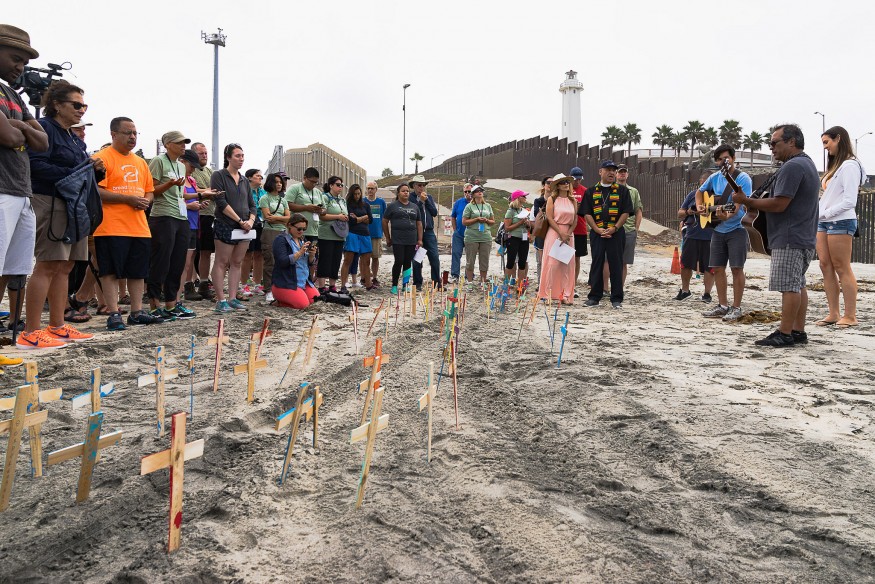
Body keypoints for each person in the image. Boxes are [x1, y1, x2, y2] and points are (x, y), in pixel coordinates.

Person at [18, 80, 95, 349]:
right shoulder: (46, 129)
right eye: (76, 104)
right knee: (48, 263)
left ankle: (57, 326)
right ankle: (30, 331)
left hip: (74, 204)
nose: (81, 110)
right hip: (50, 201)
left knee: (66, 265)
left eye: (84, 105)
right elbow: (36, 165)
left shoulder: (73, 136)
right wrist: (73, 175)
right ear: (56, 105)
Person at [732, 124, 819, 346]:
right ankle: (798, 331)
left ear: (791, 142)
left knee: (789, 286)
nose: (771, 148)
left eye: (774, 143)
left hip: (789, 236)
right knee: (798, 284)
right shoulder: (806, 163)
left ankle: (785, 333)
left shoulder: (793, 167)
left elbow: (780, 203)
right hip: (803, 235)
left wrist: (747, 201)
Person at [0, 25, 48, 349]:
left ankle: (12, 332)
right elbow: (11, 137)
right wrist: (21, 129)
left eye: (24, 61)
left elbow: (42, 142)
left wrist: (16, 124)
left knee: (17, 267)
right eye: (15, 58)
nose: (21, 67)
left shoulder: (13, 95)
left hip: (22, 191)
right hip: (2, 189)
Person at [91, 117, 159, 330]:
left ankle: (137, 312)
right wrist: (127, 199)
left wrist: (146, 201)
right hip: (110, 225)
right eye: (127, 133)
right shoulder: (101, 158)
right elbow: (97, 191)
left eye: (135, 133)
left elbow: (150, 190)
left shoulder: (140, 162)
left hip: (138, 226)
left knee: (138, 271)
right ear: (113, 134)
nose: (132, 137)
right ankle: (113, 313)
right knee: (110, 271)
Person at [696, 145, 752, 322]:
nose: (723, 162)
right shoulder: (714, 177)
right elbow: (700, 192)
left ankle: (736, 307)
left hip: (737, 229)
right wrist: (700, 206)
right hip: (718, 230)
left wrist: (726, 215)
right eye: (719, 159)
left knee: (737, 268)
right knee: (718, 268)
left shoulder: (743, 179)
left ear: (733, 158)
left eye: (726, 158)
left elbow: (738, 206)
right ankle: (722, 305)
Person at [816, 126, 864, 328]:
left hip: (841, 220)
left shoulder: (851, 166)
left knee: (841, 267)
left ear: (839, 138)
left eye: (827, 142)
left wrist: (824, 213)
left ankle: (850, 315)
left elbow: (849, 201)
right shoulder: (837, 166)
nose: (826, 148)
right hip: (824, 221)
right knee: (825, 265)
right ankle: (834, 313)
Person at [147, 131, 196, 321]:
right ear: (167, 144)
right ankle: (154, 305)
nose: (183, 146)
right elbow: (151, 190)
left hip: (180, 216)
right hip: (162, 216)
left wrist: (196, 198)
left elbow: (180, 194)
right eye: (179, 142)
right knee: (161, 260)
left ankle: (171, 303)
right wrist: (170, 184)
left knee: (178, 261)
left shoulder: (181, 166)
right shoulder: (158, 161)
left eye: (185, 142)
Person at [210, 143, 256, 313]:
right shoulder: (219, 175)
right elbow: (221, 202)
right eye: (237, 155)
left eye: (242, 155)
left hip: (244, 228)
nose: (241, 159)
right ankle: (221, 299)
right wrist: (239, 220)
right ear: (228, 157)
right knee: (222, 262)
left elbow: (252, 205)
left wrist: (250, 221)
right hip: (226, 224)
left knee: (237, 262)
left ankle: (233, 298)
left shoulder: (244, 180)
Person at [582, 161, 633, 308]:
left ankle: (616, 298)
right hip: (597, 233)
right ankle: (594, 297)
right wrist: (596, 229)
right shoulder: (591, 191)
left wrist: (615, 228)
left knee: (616, 264)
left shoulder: (622, 191)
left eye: (614, 171)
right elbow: (587, 213)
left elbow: (626, 212)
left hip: (616, 233)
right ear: (600, 172)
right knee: (597, 263)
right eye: (608, 170)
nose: (611, 173)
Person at [178, 148, 213, 304]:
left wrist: (199, 204)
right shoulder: (177, 179)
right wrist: (193, 202)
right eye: (191, 166)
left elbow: (191, 197)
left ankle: (188, 288)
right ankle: (180, 293)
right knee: (183, 261)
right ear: (182, 162)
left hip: (193, 222)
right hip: (182, 222)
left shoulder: (191, 180)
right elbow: (177, 199)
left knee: (190, 257)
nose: (192, 169)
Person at [537, 175, 577, 304]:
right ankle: (547, 293)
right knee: (552, 264)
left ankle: (565, 294)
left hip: (568, 233)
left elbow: (575, 219)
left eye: (567, 182)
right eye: (563, 182)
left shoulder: (573, 200)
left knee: (567, 265)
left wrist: (568, 233)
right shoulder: (552, 199)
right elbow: (550, 218)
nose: (566, 184)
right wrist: (560, 233)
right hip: (555, 232)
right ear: (558, 185)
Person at [675, 171, 714, 302]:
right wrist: (689, 211)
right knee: (685, 263)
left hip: (711, 236)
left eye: (708, 183)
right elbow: (680, 213)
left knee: (710, 266)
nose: (705, 187)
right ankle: (685, 291)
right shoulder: (692, 195)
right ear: (700, 182)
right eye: (703, 183)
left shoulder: (718, 196)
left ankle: (707, 294)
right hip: (692, 233)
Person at [606, 164, 643, 286]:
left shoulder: (634, 191)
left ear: (627, 174)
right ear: (616, 174)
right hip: (611, 229)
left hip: (628, 230)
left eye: (624, 172)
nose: (622, 174)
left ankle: (619, 288)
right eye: (620, 172)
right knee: (607, 260)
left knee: (623, 261)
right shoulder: (609, 189)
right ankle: (605, 288)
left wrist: (636, 229)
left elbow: (638, 210)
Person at [271, 213, 319, 309]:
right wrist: (300, 252)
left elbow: (308, 263)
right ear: (289, 225)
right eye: (299, 229)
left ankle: (294, 297)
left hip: (303, 281)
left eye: (304, 229)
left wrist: (312, 255)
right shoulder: (280, 240)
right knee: (303, 305)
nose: (301, 231)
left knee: (316, 301)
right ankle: (279, 302)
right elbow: (283, 262)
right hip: (286, 282)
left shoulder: (302, 240)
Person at [383, 183, 423, 294]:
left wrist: (420, 239)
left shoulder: (414, 206)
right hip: (397, 239)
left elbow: (419, 224)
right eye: (403, 191)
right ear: (398, 193)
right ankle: (394, 285)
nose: (406, 193)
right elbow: (385, 221)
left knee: (407, 262)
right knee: (399, 261)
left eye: (407, 191)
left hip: (411, 240)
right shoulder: (392, 206)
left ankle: (405, 285)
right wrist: (388, 237)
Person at [285, 167, 324, 281]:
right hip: (298, 231)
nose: (313, 184)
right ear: (304, 178)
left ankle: (310, 281)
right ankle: (297, 280)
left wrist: (320, 210)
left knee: (312, 256)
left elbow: (324, 210)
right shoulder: (295, 188)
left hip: (314, 230)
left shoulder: (317, 192)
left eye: (316, 182)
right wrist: (307, 207)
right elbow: (287, 204)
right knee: (299, 256)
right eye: (311, 181)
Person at [258, 172, 290, 304]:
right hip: (269, 232)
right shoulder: (265, 198)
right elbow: (266, 217)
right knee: (270, 261)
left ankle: (280, 288)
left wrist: (276, 218)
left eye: (280, 182)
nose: (279, 184)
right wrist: (282, 219)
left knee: (282, 261)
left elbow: (289, 218)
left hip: (283, 232)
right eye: (276, 182)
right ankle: (268, 290)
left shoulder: (283, 200)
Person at [191, 141, 216, 300]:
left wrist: (210, 192)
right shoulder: (190, 171)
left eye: (206, 153)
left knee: (206, 250)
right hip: (195, 215)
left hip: (210, 214)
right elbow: (189, 189)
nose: (205, 156)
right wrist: (206, 192)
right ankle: (190, 283)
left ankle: (204, 283)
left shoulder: (210, 171)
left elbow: (213, 189)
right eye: (201, 154)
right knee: (192, 252)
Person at [315, 176, 349, 294]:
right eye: (338, 185)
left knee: (336, 260)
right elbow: (322, 216)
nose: (340, 187)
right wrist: (338, 216)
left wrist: (345, 217)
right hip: (326, 234)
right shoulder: (325, 197)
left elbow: (344, 213)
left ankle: (332, 285)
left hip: (340, 234)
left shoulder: (342, 200)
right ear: (331, 185)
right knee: (325, 259)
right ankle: (322, 286)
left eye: (341, 185)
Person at [407, 174, 440, 289]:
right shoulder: (410, 198)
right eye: (419, 185)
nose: (421, 188)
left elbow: (434, 212)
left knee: (434, 257)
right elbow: (414, 211)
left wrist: (426, 201)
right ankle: (417, 283)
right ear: (414, 186)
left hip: (429, 232)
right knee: (417, 259)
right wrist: (420, 202)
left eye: (423, 185)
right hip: (416, 233)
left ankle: (436, 282)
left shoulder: (428, 197)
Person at [340, 183, 373, 293]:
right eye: (355, 194)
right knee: (348, 260)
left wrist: (359, 218)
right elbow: (351, 220)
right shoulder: (347, 205)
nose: (357, 196)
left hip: (365, 234)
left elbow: (371, 219)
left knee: (366, 261)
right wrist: (364, 218)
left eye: (359, 194)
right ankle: (343, 285)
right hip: (352, 233)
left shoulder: (366, 205)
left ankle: (368, 284)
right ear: (351, 194)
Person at [462, 184, 495, 287]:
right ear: (473, 194)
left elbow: (493, 221)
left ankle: (483, 281)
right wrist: (476, 219)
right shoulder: (469, 206)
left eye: (481, 190)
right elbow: (464, 222)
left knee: (484, 260)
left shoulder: (487, 206)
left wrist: (486, 220)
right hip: (472, 236)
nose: (480, 192)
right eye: (477, 191)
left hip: (485, 236)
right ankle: (470, 282)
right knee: (470, 260)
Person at [240, 168, 265, 297]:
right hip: (248, 224)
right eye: (257, 176)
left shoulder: (263, 191)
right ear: (249, 177)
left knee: (259, 254)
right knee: (247, 255)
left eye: (261, 176)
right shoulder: (244, 190)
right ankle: (244, 284)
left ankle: (257, 284)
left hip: (261, 224)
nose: (260, 178)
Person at [503, 190, 531, 286]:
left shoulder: (524, 210)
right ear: (518, 198)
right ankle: (506, 284)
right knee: (510, 262)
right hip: (513, 238)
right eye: (524, 196)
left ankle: (520, 285)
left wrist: (528, 224)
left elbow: (529, 227)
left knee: (522, 263)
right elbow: (507, 228)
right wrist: (520, 222)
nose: (525, 198)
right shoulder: (510, 211)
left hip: (524, 238)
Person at [569, 167, 588, 296]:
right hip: (568, 228)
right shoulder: (566, 189)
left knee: (577, 258)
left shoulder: (585, 191)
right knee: (565, 258)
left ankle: (573, 285)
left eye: (580, 179)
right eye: (575, 179)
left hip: (580, 228)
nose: (577, 182)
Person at [450, 183, 473, 282]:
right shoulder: (458, 202)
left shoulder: (476, 203)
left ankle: (469, 275)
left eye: (470, 191)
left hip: (471, 234)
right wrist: (455, 229)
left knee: (470, 256)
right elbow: (453, 216)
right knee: (456, 253)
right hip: (459, 233)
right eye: (466, 191)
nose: (467, 193)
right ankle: (455, 274)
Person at [365, 181, 386, 286]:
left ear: (376, 190)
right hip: (364, 233)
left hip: (377, 233)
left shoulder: (381, 202)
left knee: (375, 257)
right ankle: (365, 277)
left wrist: (385, 233)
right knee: (364, 257)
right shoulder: (363, 201)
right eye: (368, 188)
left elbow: (385, 218)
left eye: (372, 188)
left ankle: (374, 277)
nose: (370, 190)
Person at [532, 176, 552, 280]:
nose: (550, 185)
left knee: (552, 260)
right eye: (548, 182)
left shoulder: (557, 199)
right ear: (544, 185)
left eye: (553, 183)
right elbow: (536, 215)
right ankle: (540, 283)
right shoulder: (538, 201)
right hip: (542, 232)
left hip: (553, 231)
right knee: (541, 260)